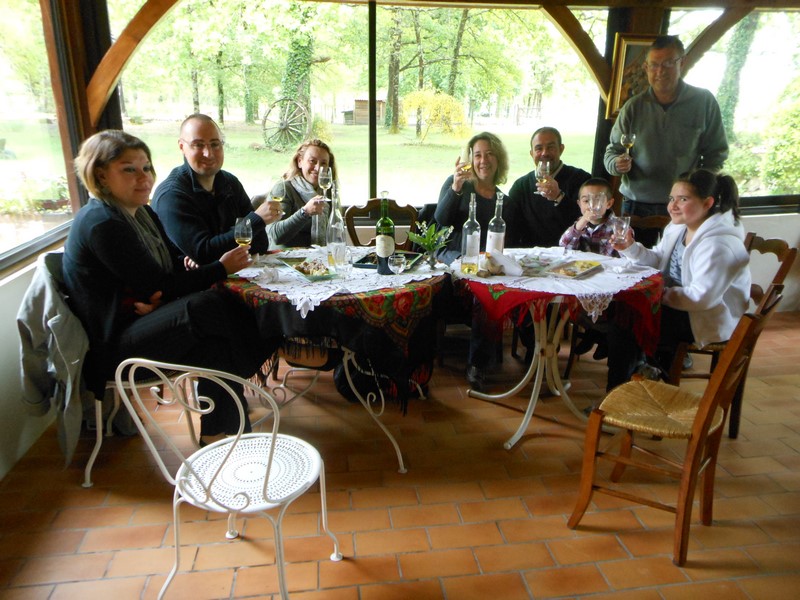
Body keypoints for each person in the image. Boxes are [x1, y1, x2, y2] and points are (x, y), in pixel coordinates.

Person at [63, 130, 276, 442]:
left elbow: (173, 265)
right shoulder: (103, 222)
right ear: (101, 175)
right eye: (129, 169)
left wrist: (166, 291)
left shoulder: (141, 213)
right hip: (114, 346)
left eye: (146, 167)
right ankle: (261, 352)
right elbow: (160, 283)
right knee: (208, 304)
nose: (144, 177)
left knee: (214, 346)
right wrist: (219, 268)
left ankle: (222, 434)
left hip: (142, 319)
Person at [609, 168, 750, 386]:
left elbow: (702, 298)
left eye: (683, 199)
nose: (672, 206)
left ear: (707, 203)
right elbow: (658, 260)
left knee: (628, 322)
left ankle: (619, 391)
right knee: (621, 311)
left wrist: (655, 294)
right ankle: (642, 373)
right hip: (680, 305)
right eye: (671, 198)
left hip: (704, 317)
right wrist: (630, 248)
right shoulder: (679, 228)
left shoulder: (718, 245)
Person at [604, 36, 729, 224]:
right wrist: (616, 164)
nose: (660, 71)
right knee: (632, 254)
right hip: (636, 204)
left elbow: (716, 154)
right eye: (654, 65)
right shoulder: (633, 107)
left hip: (685, 205)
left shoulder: (704, 102)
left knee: (682, 255)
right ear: (646, 68)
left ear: (682, 63)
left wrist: (697, 187)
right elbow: (612, 152)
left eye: (668, 63)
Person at [434, 132, 510, 390]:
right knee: (480, 276)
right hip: (450, 254)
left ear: (498, 160)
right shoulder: (458, 184)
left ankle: (476, 364)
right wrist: (455, 187)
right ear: (470, 160)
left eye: (489, 154)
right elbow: (440, 220)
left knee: (488, 289)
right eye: (477, 154)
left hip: (482, 263)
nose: (483, 160)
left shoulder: (502, 200)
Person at [152, 113, 282, 263]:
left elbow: (260, 243)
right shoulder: (172, 195)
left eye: (215, 144)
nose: (208, 153)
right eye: (198, 145)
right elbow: (204, 253)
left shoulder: (230, 183)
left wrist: (215, 250)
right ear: (182, 147)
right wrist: (255, 221)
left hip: (232, 278)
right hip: (194, 284)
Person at [507, 126, 590, 248]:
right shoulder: (520, 187)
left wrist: (559, 197)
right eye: (539, 148)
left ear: (561, 149)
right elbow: (512, 229)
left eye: (550, 147)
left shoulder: (582, 180)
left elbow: (590, 221)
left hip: (572, 255)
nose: (545, 153)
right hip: (531, 257)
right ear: (531, 153)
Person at [260, 139, 335, 248]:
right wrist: (305, 212)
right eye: (312, 161)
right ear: (300, 161)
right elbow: (275, 235)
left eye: (323, 163)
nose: (318, 168)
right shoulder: (284, 189)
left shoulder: (327, 192)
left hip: (316, 259)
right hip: (284, 260)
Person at [559, 178, 618, 256]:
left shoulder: (619, 226)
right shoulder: (580, 225)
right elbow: (563, 246)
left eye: (597, 200)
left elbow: (627, 257)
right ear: (579, 204)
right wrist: (579, 225)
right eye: (586, 201)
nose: (592, 206)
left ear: (609, 204)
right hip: (583, 266)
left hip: (610, 267)